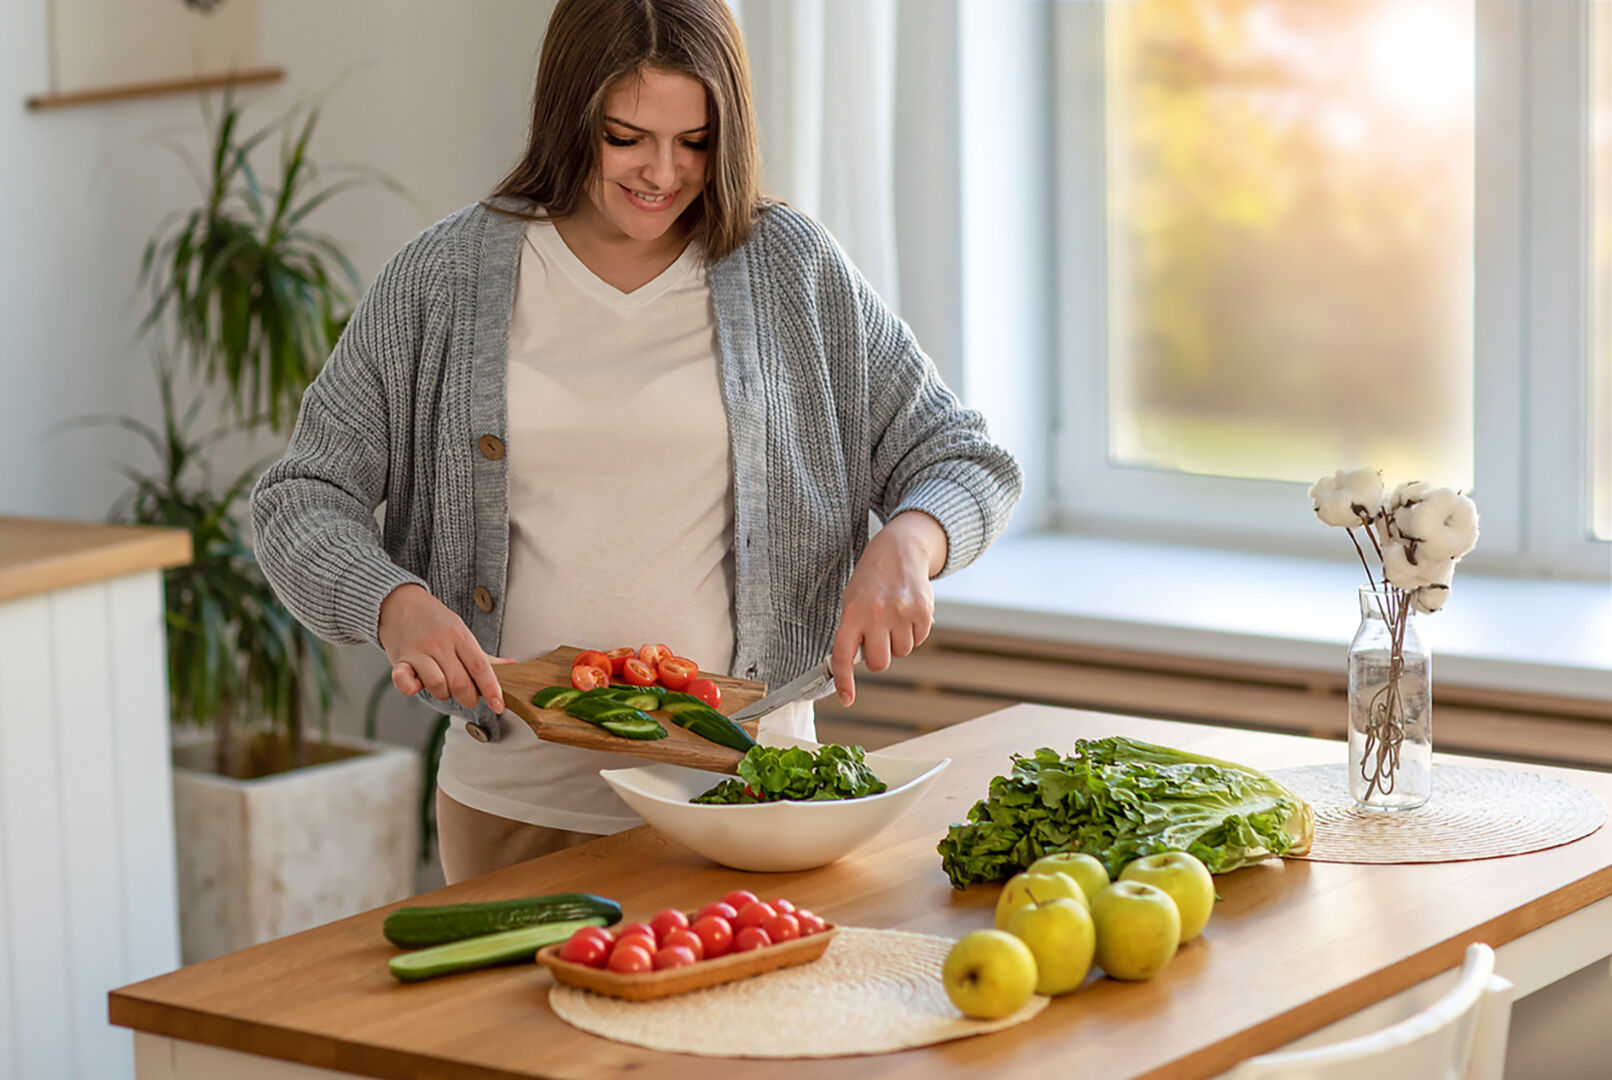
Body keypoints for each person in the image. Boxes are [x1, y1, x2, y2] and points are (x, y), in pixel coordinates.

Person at [251, 0, 1022, 885]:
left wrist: (909, 543)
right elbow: (300, 498)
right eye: (627, 137)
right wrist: (393, 606)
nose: (664, 173)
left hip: (751, 799)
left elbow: (963, 456)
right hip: (518, 806)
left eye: (695, 141)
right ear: (569, 114)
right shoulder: (445, 278)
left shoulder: (787, 267)